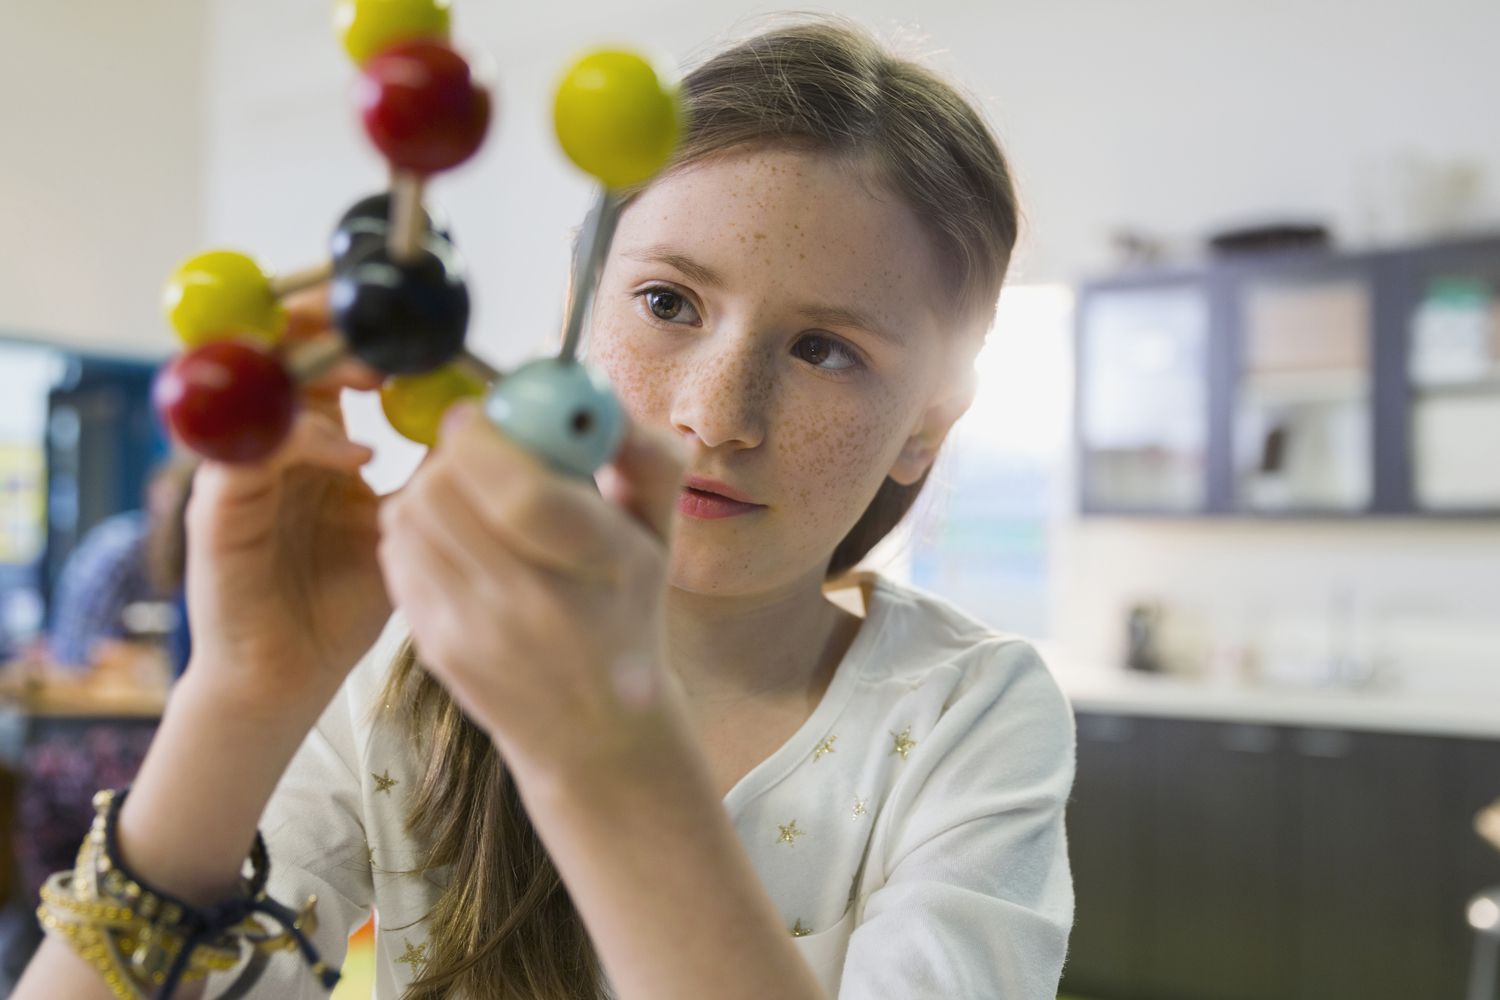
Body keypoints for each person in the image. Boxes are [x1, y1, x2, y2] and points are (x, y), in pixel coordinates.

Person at [16, 14, 1075, 999]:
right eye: (667, 302)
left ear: (929, 423)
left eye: (826, 349)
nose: (716, 415)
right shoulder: (405, 667)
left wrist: (605, 753)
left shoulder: (965, 716)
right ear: (577, 304)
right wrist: (240, 699)